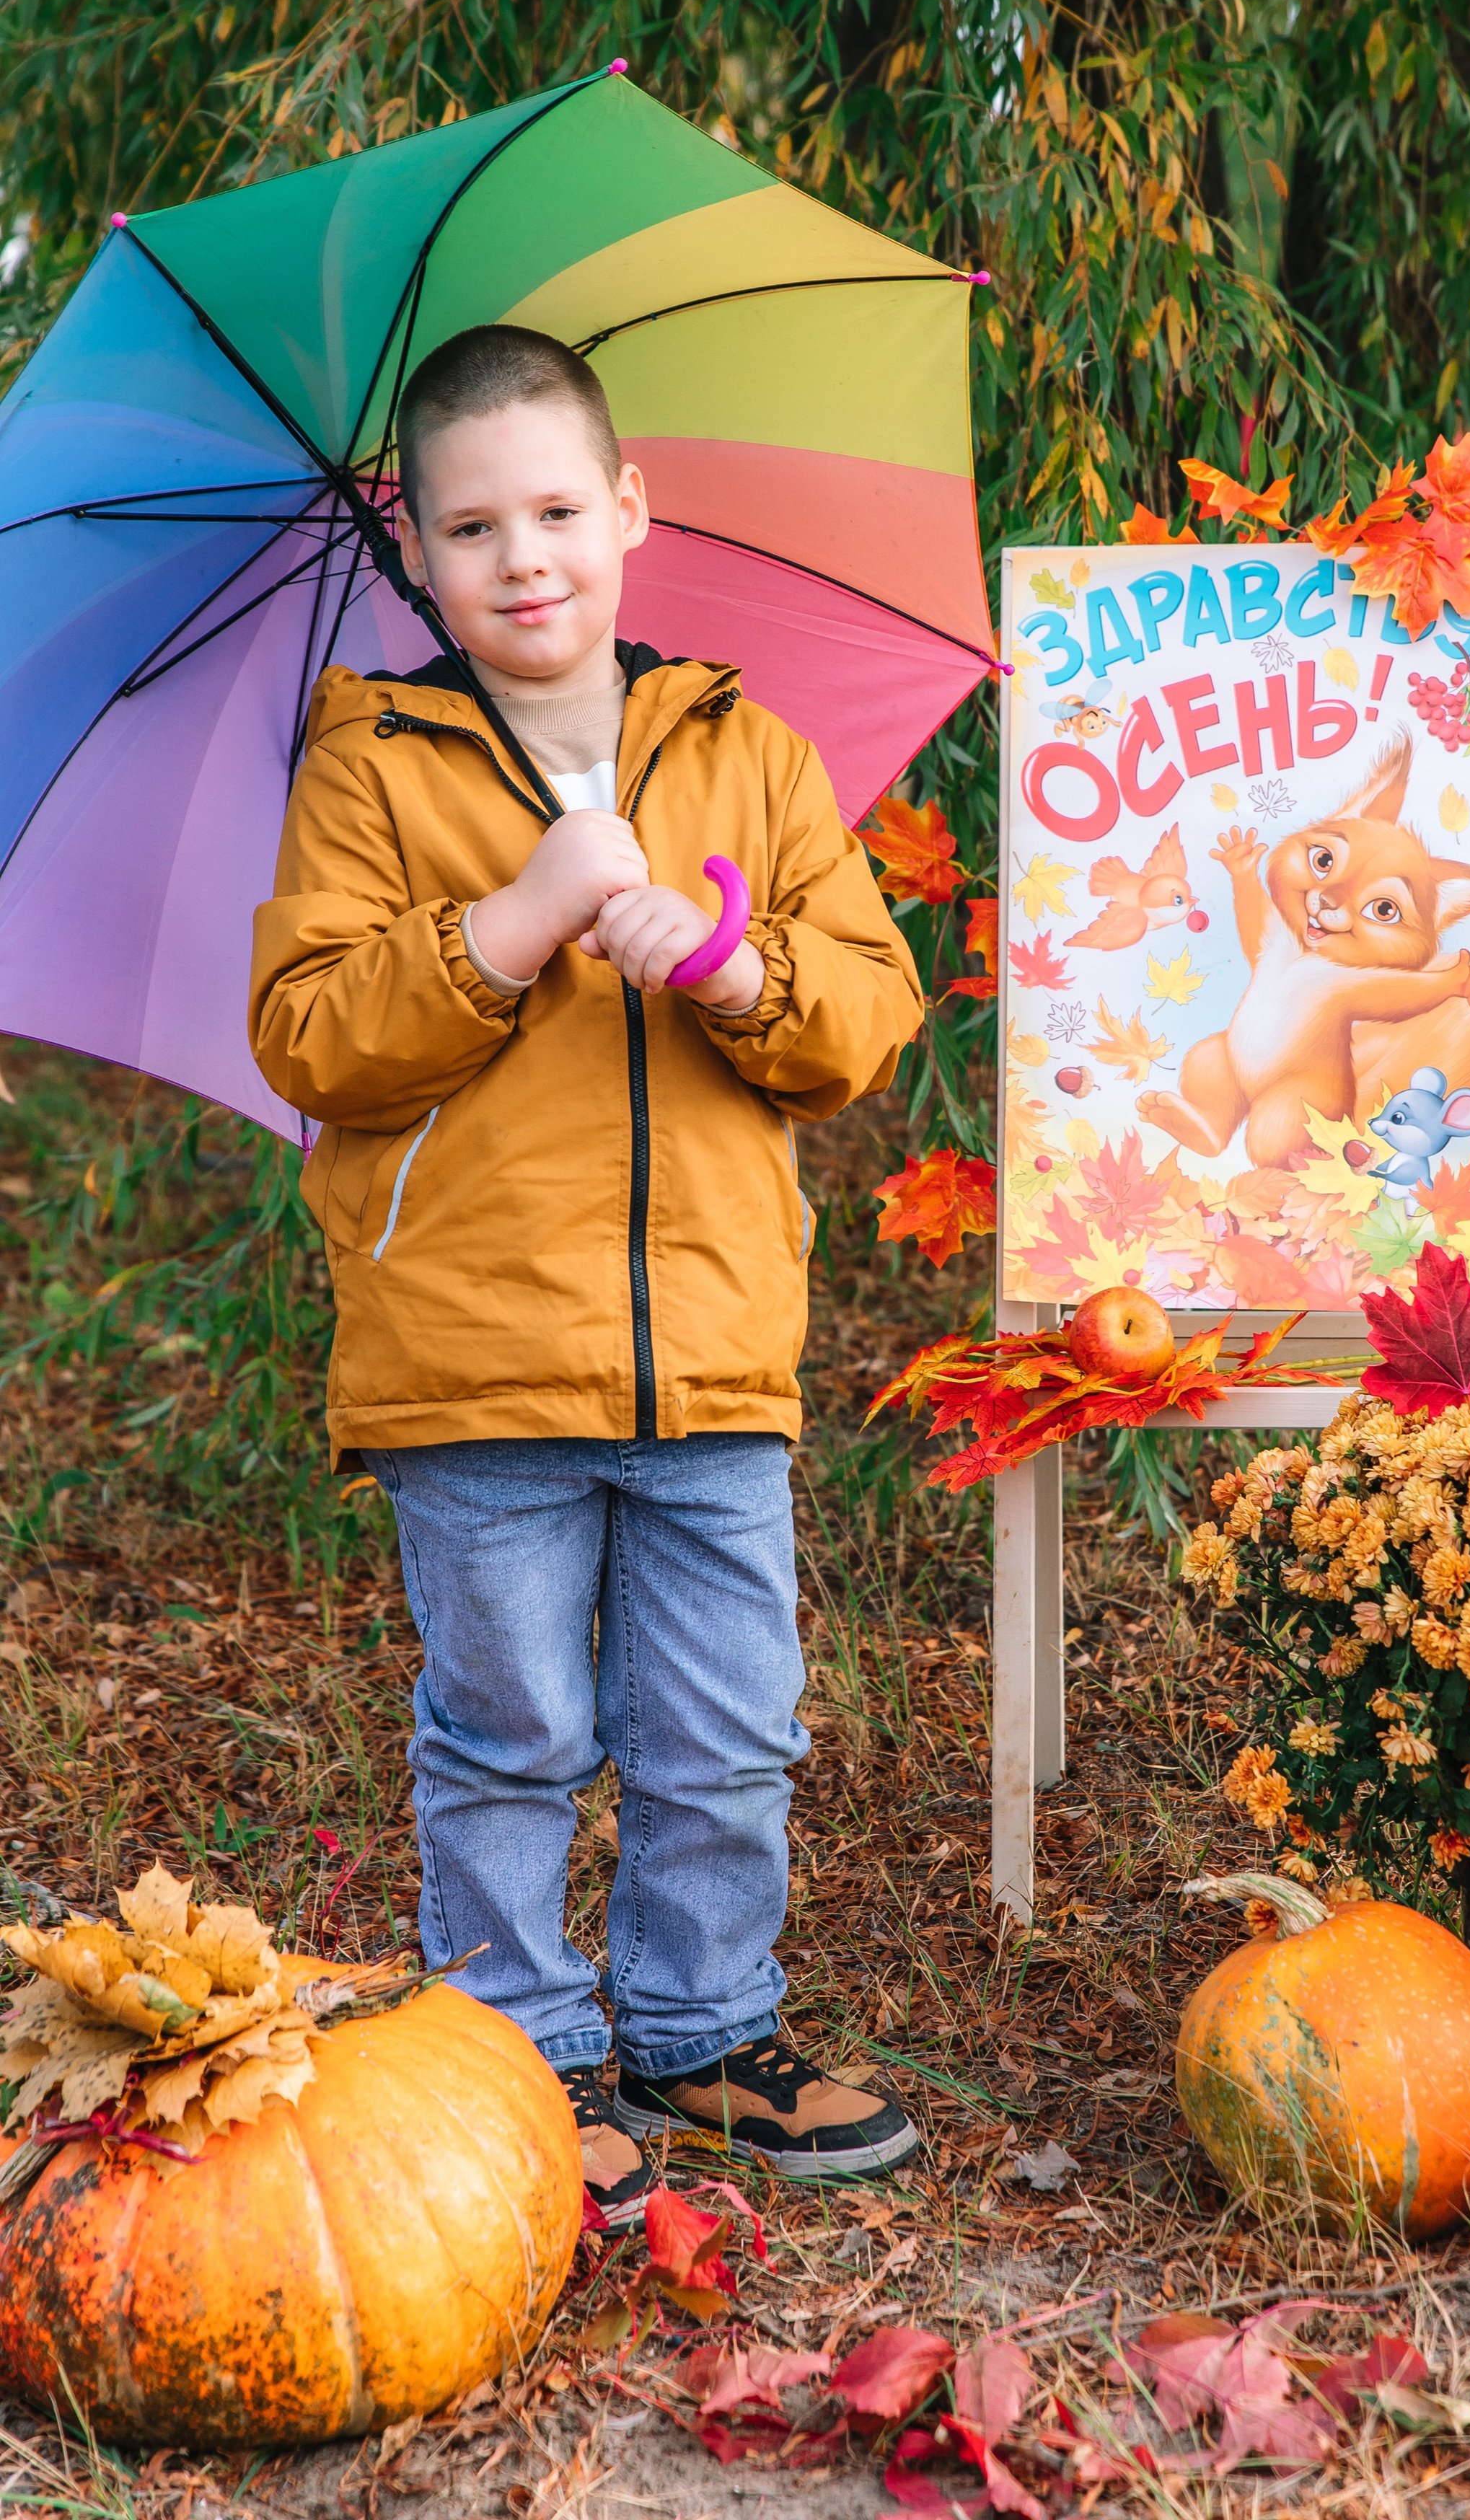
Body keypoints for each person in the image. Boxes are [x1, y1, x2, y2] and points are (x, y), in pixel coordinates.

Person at [250, 324, 927, 2221]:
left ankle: (703, 2031)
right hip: (470, 1366)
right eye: (474, 526)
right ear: (415, 547)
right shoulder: (374, 767)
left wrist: (734, 973)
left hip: (710, 1354)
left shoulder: (743, 751)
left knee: (726, 1725)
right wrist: (510, 925)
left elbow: (866, 1014)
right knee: (512, 1725)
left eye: (558, 509)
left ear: (630, 511)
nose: (523, 557)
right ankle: (519, 2052)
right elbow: (310, 1034)